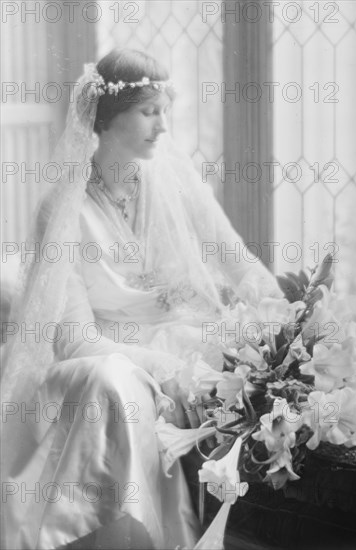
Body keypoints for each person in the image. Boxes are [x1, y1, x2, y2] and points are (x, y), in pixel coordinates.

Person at [1, 49, 282, 550]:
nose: (162, 126)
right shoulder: (62, 209)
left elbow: (236, 259)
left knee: (241, 363)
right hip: (100, 358)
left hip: (176, 336)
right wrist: (164, 365)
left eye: (164, 111)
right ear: (108, 118)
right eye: (149, 112)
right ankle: (121, 536)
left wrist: (285, 320)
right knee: (119, 384)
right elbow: (75, 342)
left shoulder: (171, 182)